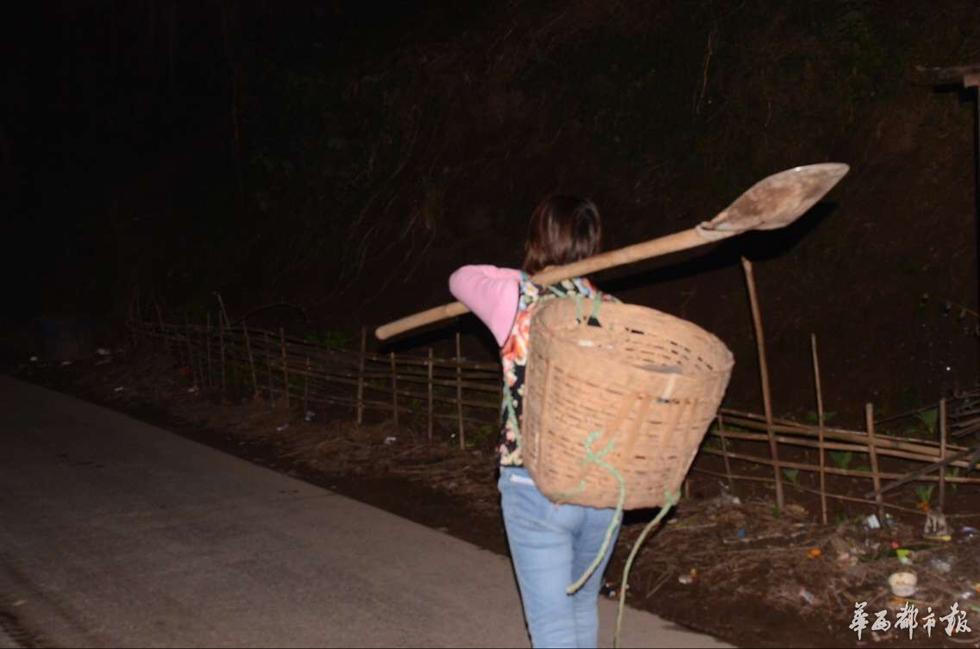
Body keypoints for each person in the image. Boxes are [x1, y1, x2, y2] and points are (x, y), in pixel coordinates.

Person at [449, 195, 620, 649]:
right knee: (581, 607)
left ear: (538, 239)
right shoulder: (613, 311)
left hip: (534, 483)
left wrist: (526, 274)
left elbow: (461, 278)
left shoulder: (517, 297)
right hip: (602, 488)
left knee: (552, 628)